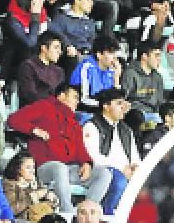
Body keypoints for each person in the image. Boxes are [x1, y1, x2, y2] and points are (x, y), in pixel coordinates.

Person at [8, 84, 112, 213]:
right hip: (43, 167)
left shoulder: (74, 123)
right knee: (59, 167)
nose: (77, 101)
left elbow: (81, 150)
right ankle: (67, 213)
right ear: (61, 96)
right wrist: (33, 129)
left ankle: (86, 211)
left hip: (69, 169)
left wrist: (86, 163)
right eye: (74, 97)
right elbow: (13, 119)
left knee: (104, 173)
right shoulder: (43, 106)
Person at [83, 89, 140, 214]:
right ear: (106, 106)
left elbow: (134, 156)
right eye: (119, 103)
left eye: (124, 104)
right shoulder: (92, 126)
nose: (124, 107)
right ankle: (106, 215)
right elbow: (93, 156)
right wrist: (121, 168)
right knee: (120, 182)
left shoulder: (126, 130)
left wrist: (136, 168)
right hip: (103, 169)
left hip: (125, 170)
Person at [2, 156, 61, 223]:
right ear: (18, 169)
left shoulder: (36, 183)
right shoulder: (8, 185)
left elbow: (52, 205)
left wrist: (51, 197)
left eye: (33, 167)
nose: (32, 171)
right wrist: (32, 197)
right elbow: (11, 209)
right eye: (28, 168)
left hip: (39, 221)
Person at [18, 32, 66, 107]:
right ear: (44, 48)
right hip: (34, 111)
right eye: (56, 47)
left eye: (60, 49)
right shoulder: (28, 66)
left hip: (55, 111)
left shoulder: (59, 71)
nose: (59, 52)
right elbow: (30, 95)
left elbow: (62, 95)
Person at [122, 42, 166, 121]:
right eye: (156, 55)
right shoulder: (130, 73)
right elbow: (123, 98)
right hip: (134, 115)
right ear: (144, 56)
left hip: (153, 115)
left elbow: (159, 103)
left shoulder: (158, 77)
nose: (159, 59)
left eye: (160, 56)